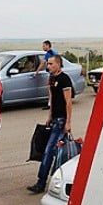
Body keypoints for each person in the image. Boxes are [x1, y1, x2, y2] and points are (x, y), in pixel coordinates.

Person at [27, 55, 72, 193]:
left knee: (49, 151)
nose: (49, 66)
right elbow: (51, 99)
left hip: (61, 121)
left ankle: (41, 182)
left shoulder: (64, 79)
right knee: (63, 152)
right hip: (54, 119)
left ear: (58, 64)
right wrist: (49, 115)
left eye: (51, 64)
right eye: (48, 64)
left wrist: (68, 122)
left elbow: (68, 102)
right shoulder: (52, 79)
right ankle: (66, 179)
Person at [32, 41, 58, 110]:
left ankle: (50, 104)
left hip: (52, 74)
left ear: (48, 45)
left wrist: (36, 72)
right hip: (56, 73)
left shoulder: (48, 54)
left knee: (50, 89)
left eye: (44, 46)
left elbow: (42, 63)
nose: (43, 47)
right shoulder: (54, 52)